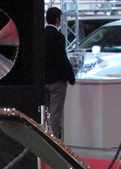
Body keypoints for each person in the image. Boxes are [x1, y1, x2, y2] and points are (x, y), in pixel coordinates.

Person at [44, 6, 76, 139]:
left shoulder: (39, 36)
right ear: (57, 20)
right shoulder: (58, 37)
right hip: (56, 81)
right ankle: (54, 140)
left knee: (43, 112)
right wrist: (70, 76)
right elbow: (61, 59)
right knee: (55, 114)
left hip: (43, 80)